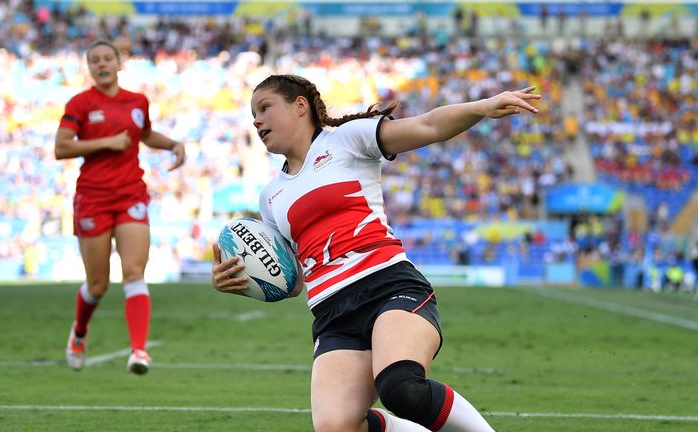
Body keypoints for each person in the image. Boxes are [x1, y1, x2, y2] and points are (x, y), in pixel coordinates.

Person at [211, 74, 540, 431]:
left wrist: (483, 106)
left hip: (388, 287)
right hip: (331, 314)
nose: (256, 120)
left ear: (300, 105)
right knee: (337, 427)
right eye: (252, 114)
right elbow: (292, 282)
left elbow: (428, 126)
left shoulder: (347, 141)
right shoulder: (271, 196)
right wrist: (240, 279)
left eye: (264, 108)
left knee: (401, 389)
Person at [55, 40, 185, 375]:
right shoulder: (80, 103)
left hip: (130, 195)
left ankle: (139, 351)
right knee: (98, 285)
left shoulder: (137, 101)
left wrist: (172, 144)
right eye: (94, 60)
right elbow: (61, 147)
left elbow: (144, 135)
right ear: (89, 67)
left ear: (118, 63)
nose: (101, 64)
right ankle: (79, 333)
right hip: (93, 198)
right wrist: (105, 142)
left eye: (107, 58)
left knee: (133, 272)